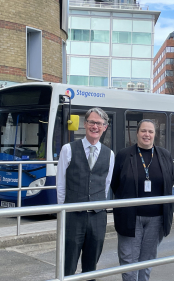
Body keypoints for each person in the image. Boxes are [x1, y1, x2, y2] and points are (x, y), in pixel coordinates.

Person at [111, 119, 174, 281]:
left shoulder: (164, 155)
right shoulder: (124, 155)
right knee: (128, 260)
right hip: (130, 216)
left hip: (156, 218)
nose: (147, 134)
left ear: (155, 134)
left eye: (150, 131)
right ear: (137, 133)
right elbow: (115, 183)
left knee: (146, 261)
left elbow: (170, 179)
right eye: (143, 131)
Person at [56, 108, 114, 280]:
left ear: (105, 127)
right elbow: (60, 185)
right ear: (85, 124)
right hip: (73, 216)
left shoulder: (109, 154)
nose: (95, 126)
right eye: (92, 122)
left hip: (97, 218)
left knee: (91, 266)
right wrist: (62, 213)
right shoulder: (68, 149)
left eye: (99, 123)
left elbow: (106, 185)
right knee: (68, 265)